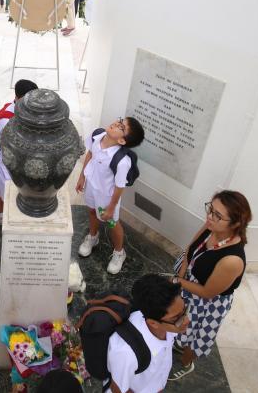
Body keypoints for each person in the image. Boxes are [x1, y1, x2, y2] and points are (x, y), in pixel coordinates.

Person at [169, 190, 252, 380]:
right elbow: (190, 249)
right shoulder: (212, 226)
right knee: (180, 321)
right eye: (210, 209)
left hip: (207, 303)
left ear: (236, 223)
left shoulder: (232, 260)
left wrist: (178, 282)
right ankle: (179, 341)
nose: (209, 217)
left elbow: (207, 293)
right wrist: (180, 278)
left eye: (217, 215)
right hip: (189, 283)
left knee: (195, 337)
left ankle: (186, 363)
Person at [76, 117, 145, 275]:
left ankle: (119, 252)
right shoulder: (98, 135)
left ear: (121, 141)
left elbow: (119, 187)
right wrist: (82, 177)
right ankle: (93, 237)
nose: (115, 123)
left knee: (112, 223)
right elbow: (90, 155)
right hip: (91, 188)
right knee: (92, 211)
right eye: (120, 120)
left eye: (121, 127)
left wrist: (111, 207)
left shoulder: (122, 161)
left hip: (107, 197)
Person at [106, 274, 187, 393]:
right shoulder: (126, 353)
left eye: (185, 310)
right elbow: (117, 389)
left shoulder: (167, 325)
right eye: (177, 318)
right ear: (153, 323)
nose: (187, 320)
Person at [0, 79, 38, 227]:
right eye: (28, 99)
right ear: (18, 97)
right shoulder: (6, 120)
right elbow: (7, 146)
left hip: (20, 160)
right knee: (8, 193)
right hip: (7, 162)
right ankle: (5, 219)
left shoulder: (26, 110)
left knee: (5, 191)